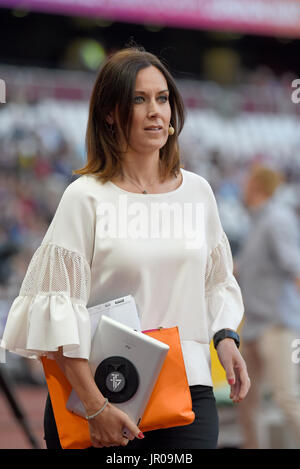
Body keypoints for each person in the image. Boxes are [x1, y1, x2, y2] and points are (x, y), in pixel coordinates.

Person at [1, 47, 250, 450]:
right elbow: (56, 314)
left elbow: (216, 283)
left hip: (188, 393)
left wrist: (225, 340)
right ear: (110, 113)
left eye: (162, 98)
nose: (156, 111)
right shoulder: (84, 198)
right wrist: (96, 406)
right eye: (139, 99)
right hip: (101, 397)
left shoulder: (199, 193)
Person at [235, 165, 300, 449]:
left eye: (246, 180)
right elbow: (247, 269)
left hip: (278, 325)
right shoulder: (257, 223)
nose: (241, 185)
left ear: (256, 185)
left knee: (286, 397)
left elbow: (295, 266)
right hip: (254, 327)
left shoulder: (276, 220)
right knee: (245, 398)